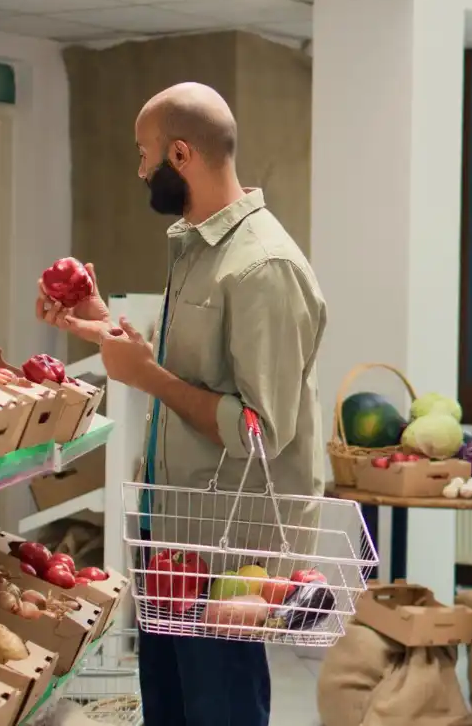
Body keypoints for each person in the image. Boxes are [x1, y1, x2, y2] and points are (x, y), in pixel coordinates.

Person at [36, 82, 327, 726]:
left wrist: (147, 379)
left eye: (146, 155)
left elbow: (261, 430)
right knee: (168, 713)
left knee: (220, 713)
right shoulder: (197, 248)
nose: (141, 170)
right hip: (173, 538)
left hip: (229, 556)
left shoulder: (262, 267)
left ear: (182, 154)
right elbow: (188, 373)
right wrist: (98, 322)